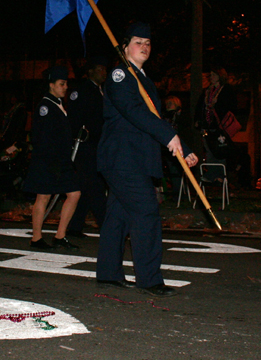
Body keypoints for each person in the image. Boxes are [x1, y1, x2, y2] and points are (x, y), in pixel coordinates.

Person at [96, 22, 197, 296]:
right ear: (125, 47)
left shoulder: (143, 80)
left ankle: (108, 273)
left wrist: (183, 147)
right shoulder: (120, 75)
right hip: (122, 158)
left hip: (134, 159)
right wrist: (168, 136)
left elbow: (156, 118)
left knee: (118, 216)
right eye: (138, 42)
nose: (144, 47)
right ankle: (149, 279)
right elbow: (133, 111)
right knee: (146, 213)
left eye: (148, 43)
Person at [22, 65, 81, 250]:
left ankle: (60, 236)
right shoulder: (45, 106)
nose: (65, 87)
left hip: (61, 161)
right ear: (51, 85)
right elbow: (41, 137)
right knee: (43, 196)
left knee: (74, 193)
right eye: (62, 84)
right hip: (47, 160)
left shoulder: (57, 104)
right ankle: (36, 238)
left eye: (66, 84)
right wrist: (51, 160)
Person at [65, 57, 109, 237]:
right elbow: (75, 118)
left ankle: (75, 226)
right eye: (100, 69)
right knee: (94, 185)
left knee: (86, 186)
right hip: (85, 145)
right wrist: (80, 137)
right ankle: (107, 225)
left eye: (105, 70)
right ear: (90, 71)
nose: (104, 73)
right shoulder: (82, 90)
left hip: (98, 145)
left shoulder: (102, 91)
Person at [194, 68, 236, 183]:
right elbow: (200, 106)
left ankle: (220, 175)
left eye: (213, 75)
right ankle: (212, 174)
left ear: (220, 76)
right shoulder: (207, 91)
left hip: (219, 126)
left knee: (220, 149)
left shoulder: (226, 90)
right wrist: (198, 120)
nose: (211, 77)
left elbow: (230, 106)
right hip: (207, 126)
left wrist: (217, 106)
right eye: (210, 75)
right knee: (209, 150)